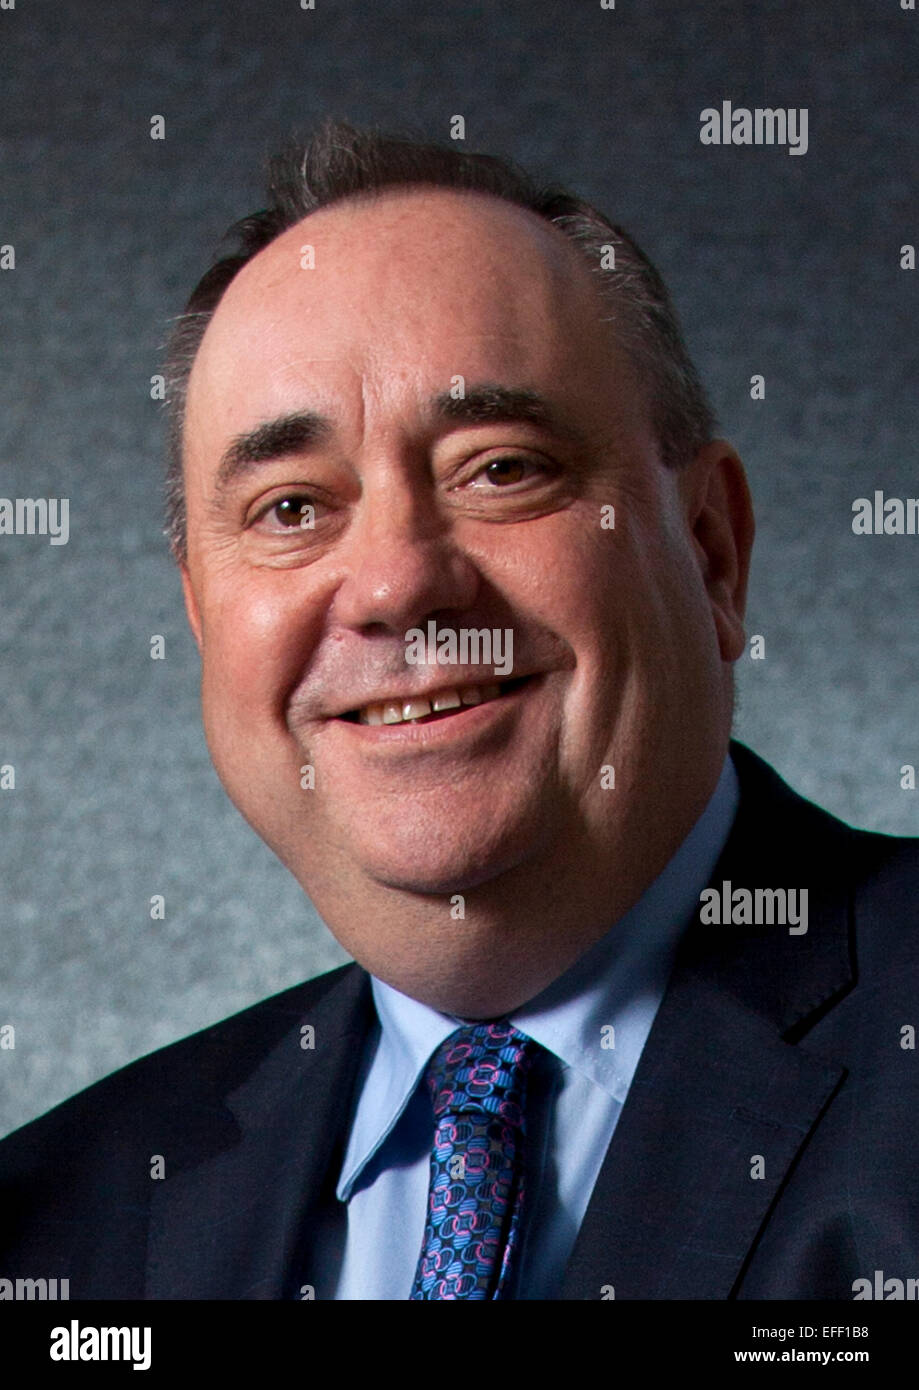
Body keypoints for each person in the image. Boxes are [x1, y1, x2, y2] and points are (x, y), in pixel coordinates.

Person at [1, 119, 917, 1302]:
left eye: (500, 468)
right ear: (202, 620)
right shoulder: (52, 1234)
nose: (394, 584)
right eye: (289, 508)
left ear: (710, 553)